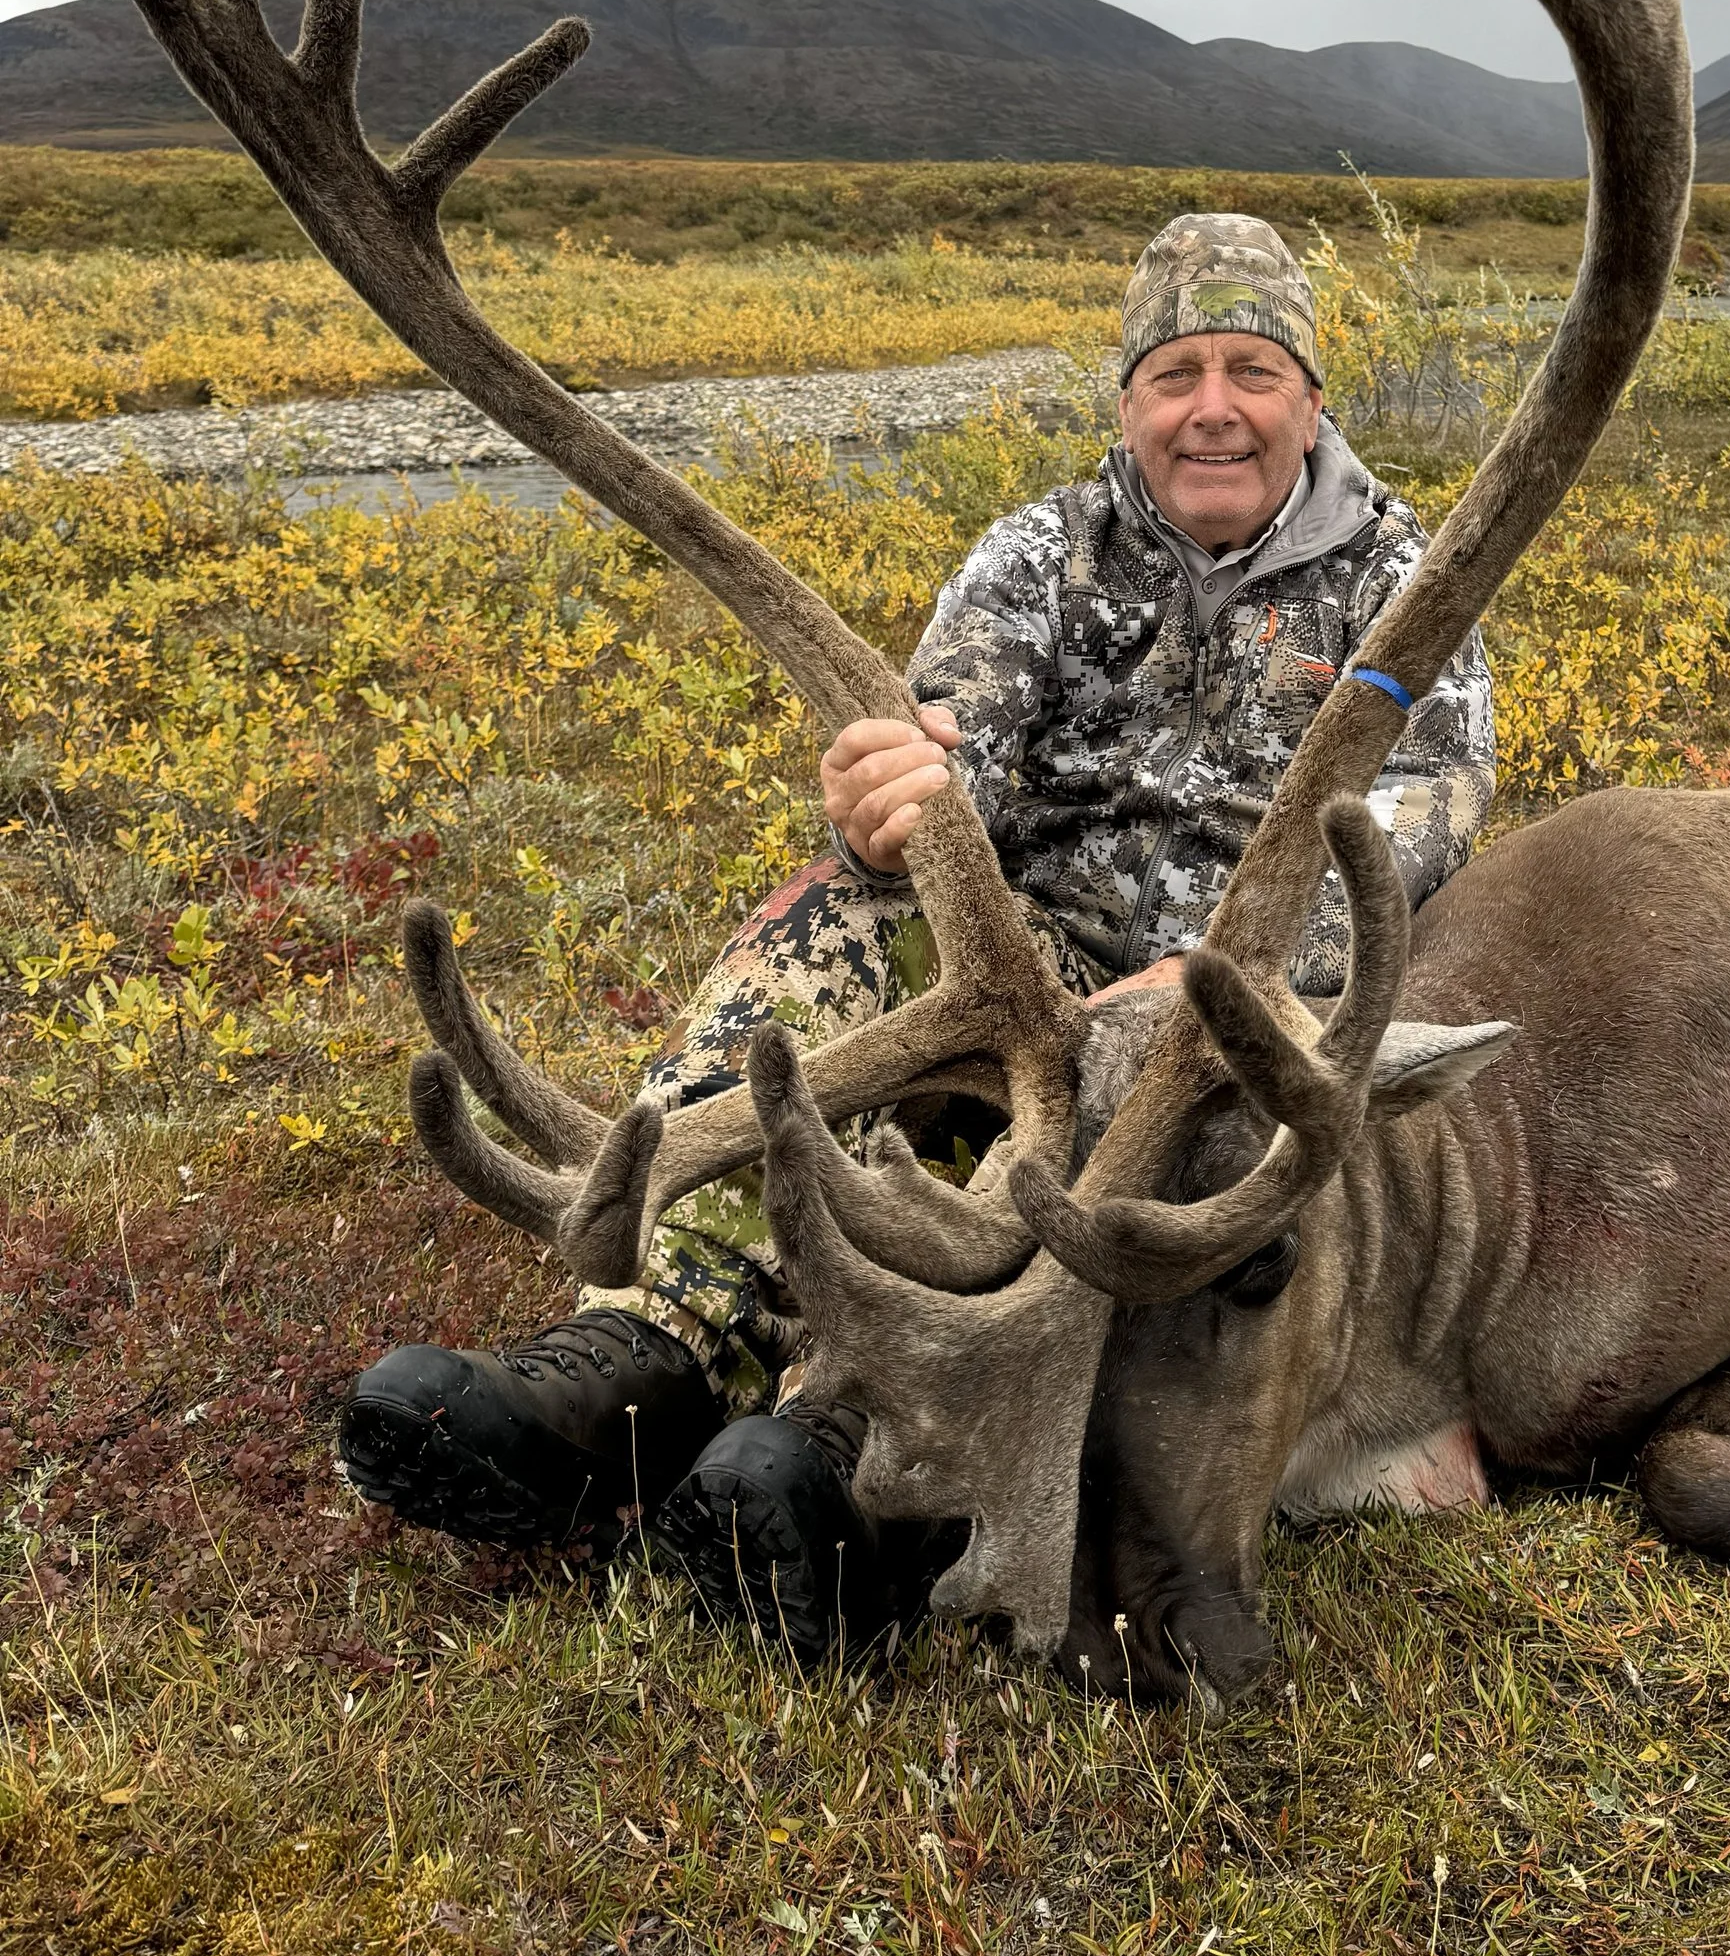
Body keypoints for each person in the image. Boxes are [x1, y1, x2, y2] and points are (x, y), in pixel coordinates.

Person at [337, 215, 1496, 1659]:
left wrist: (1209, 990)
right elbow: (956, 753)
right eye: (1175, 372)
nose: (1213, 407)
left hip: (1235, 1029)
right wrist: (889, 803)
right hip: (1025, 976)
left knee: (1038, 1197)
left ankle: (832, 1448)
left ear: (1310, 398)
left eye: (1252, 370)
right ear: (1127, 402)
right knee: (841, 924)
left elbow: (1423, 815)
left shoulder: (1404, 577)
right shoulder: (1041, 558)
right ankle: (644, 1347)